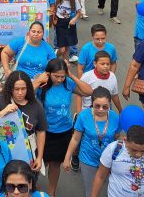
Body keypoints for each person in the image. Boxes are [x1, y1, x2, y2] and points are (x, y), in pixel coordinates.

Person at [35, 58, 93, 196]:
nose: (60, 80)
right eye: (56, 76)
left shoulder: (68, 83)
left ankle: (52, 193)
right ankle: (31, 188)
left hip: (64, 131)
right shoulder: (42, 85)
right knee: (39, 163)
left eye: (62, 76)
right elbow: (23, 95)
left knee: (55, 164)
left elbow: (89, 91)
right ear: (48, 73)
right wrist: (38, 81)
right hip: (45, 132)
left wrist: (71, 75)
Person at [63, 87, 122, 197]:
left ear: (110, 104)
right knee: (91, 191)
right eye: (97, 106)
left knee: (107, 189)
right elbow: (75, 139)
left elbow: (116, 138)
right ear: (92, 103)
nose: (101, 109)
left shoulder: (115, 117)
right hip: (88, 160)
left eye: (105, 107)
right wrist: (67, 158)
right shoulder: (83, 116)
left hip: (108, 161)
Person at [92, 124, 144, 197]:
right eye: (134, 150)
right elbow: (100, 176)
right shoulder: (113, 149)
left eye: (143, 151)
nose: (138, 154)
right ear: (125, 141)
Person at [0, 71, 48, 172]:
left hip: (28, 155)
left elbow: (41, 131)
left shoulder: (36, 105)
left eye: (23, 89)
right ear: (10, 88)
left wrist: (39, 157)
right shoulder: (0, 102)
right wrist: (3, 112)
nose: (20, 92)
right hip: (3, 153)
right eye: (16, 89)